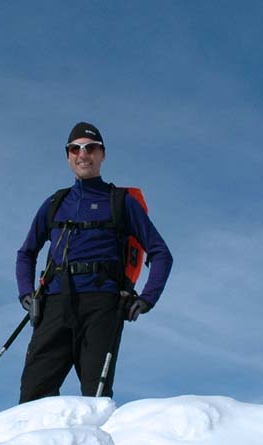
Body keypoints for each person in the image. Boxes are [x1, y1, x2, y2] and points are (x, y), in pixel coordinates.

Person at [15, 121, 173, 403]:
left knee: (95, 397)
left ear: (102, 154)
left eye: (91, 148)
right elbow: (26, 252)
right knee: (32, 393)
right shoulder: (55, 202)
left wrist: (147, 299)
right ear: (68, 156)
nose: (83, 154)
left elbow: (161, 253)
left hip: (102, 305)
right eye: (75, 149)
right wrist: (27, 293)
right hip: (53, 304)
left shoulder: (120, 201)